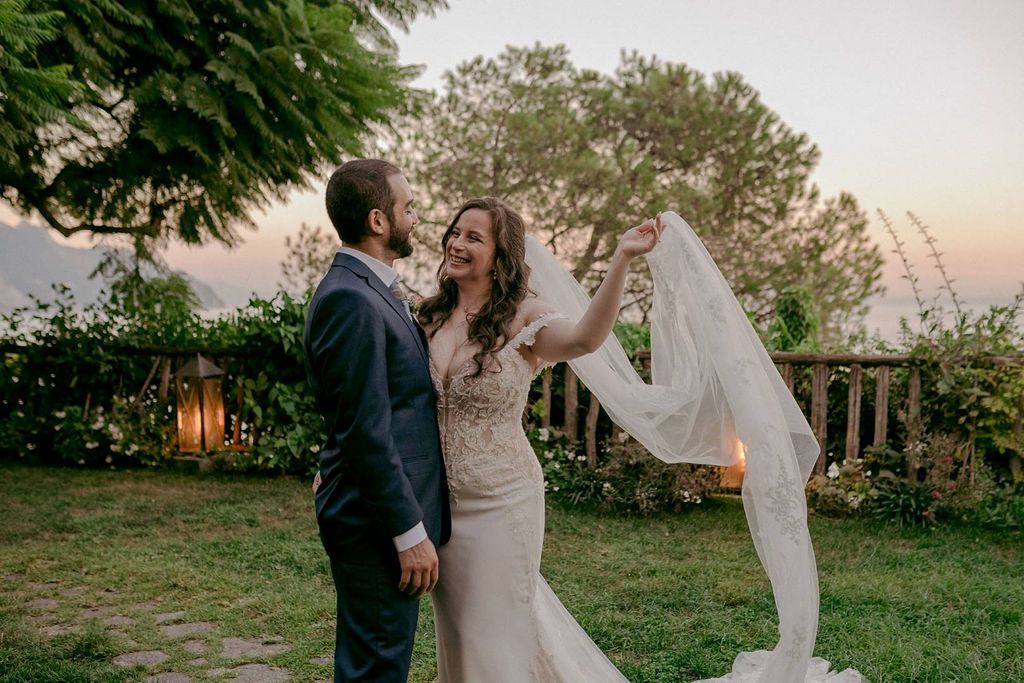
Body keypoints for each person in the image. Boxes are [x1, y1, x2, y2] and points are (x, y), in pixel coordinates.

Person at [416, 197, 661, 681]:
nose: (457, 244)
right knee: (461, 635)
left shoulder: (526, 318)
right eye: (455, 232)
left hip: (502, 500)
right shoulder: (426, 316)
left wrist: (623, 257)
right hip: (440, 504)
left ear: (501, 255)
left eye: (473, 237)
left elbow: (586, 339)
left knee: (494, 633)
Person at [303, 159, 451, 682]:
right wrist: (407, 533)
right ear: (378, 220)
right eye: (406, 207)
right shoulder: (351, 297)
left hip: (375, 512)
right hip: (375, 524)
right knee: (376, 668)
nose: (414, 218)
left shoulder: (370, 288)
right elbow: (365, 429)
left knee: (379, 660)